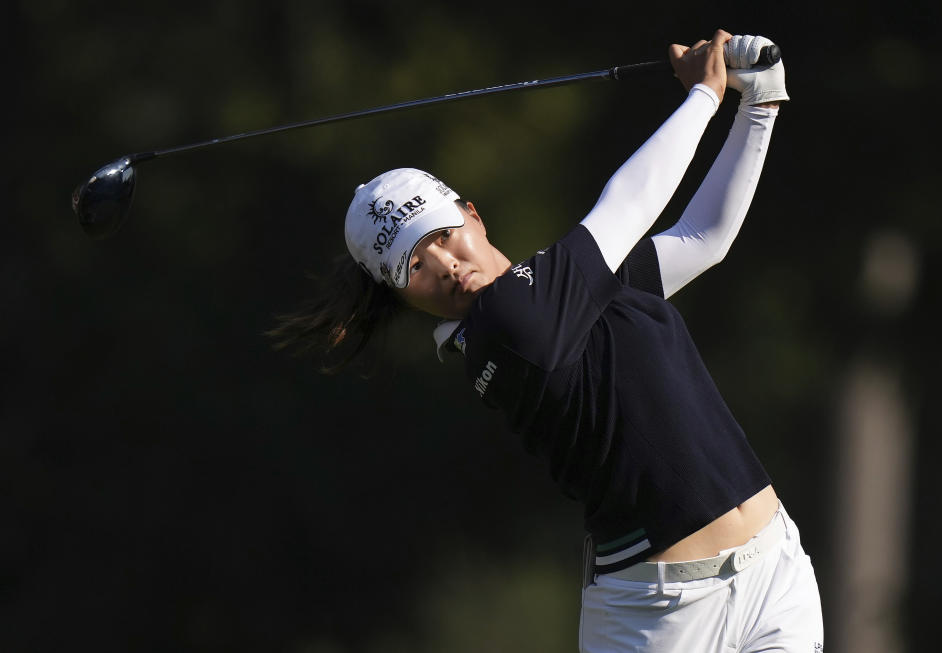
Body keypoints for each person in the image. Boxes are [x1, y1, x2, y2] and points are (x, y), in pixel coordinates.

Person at [270, 29, 823, 653]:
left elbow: (703, 237)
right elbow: (629, 203)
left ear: (472, 215)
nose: (447, 265)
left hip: (773, 570)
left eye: (443, 235)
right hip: (659, 619)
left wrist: (760, 104)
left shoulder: (569, 290)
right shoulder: (506, 327)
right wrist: (703, 95)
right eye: (415, 267)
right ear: (402, 297)